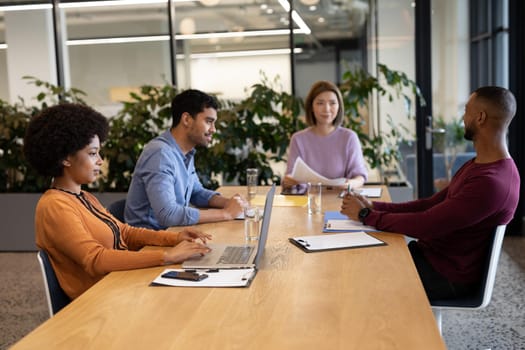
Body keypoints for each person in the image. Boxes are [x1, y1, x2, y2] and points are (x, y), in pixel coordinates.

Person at [340, 86, 520, 301]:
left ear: (480, 117)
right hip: (432, 258)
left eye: (466, 110)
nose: (463, 117)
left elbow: (427, 224)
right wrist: (375, 207)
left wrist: (365, 216)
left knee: (356, 274)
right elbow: (430, 204)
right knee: (360, 258)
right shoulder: (479, 165)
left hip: (446, 276)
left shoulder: (491, 182)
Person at [23, 103, 212, 300]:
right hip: (102, 300)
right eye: (92, 153)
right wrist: (167, 256)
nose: (100, 161)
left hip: (121, 284)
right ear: (65, 158)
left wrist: (176, 238)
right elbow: (95, 259)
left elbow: (125, 232)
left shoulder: (84, 197)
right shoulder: (54, 206)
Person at [125, 89, 245, 230]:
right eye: (209, 121)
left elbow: (196, 192)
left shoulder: (185, 152)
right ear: (187, 119)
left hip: (172, 234)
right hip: (148, 243)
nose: (214, 129)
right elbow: (167, 214)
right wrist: (226, 213)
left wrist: (230, 203)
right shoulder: (160, 154)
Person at [283, 80, 368, 191]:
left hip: (340, 201)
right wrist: (289, 181)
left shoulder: (349, 138)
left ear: (339, 107)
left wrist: (350, 184)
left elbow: (360, 177)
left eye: (332, 103)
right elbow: (289, 178)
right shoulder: (298, 139)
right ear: (311, 107)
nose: (327, 109)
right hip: (307, 202)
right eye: (320, 103)